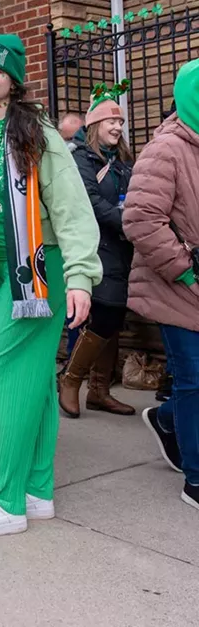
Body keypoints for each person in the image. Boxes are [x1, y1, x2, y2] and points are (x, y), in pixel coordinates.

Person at [0, 35, 101, 540]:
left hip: (39, 272)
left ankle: (3, 500)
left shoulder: (37, 134)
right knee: (33, 384)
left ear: (13, 81)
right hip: (1, 274)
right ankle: (36, 491)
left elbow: (73, 209)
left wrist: (80, 276)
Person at [124, 59, 199, 512]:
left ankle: (168, 421)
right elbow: (140, 218)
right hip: (179, 284)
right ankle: (196, 477)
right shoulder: (167, 148)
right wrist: (184, 270)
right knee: (193, 381)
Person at [59, 88, 135, 418]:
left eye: (120, 121)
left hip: (122, 246)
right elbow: (89, 200)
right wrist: (126, 220)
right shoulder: (81, 159)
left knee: (115, 317)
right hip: (97, 246)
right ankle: (71, 380)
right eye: (111, 121)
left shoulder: (122, 161)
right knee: (104, 314)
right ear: (95, 124)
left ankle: (100, 391)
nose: (117, 126)